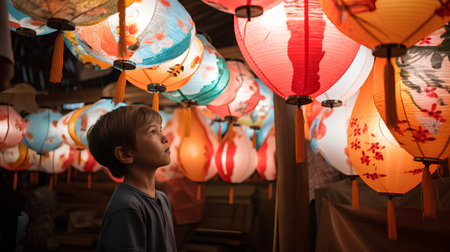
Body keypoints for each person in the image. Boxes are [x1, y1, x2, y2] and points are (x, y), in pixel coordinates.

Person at [87, 105, 176, 252]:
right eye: (152, 131)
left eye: (160, 130)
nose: (165, 138)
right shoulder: (126, 206)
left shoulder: (162, 199)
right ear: (125, 155)